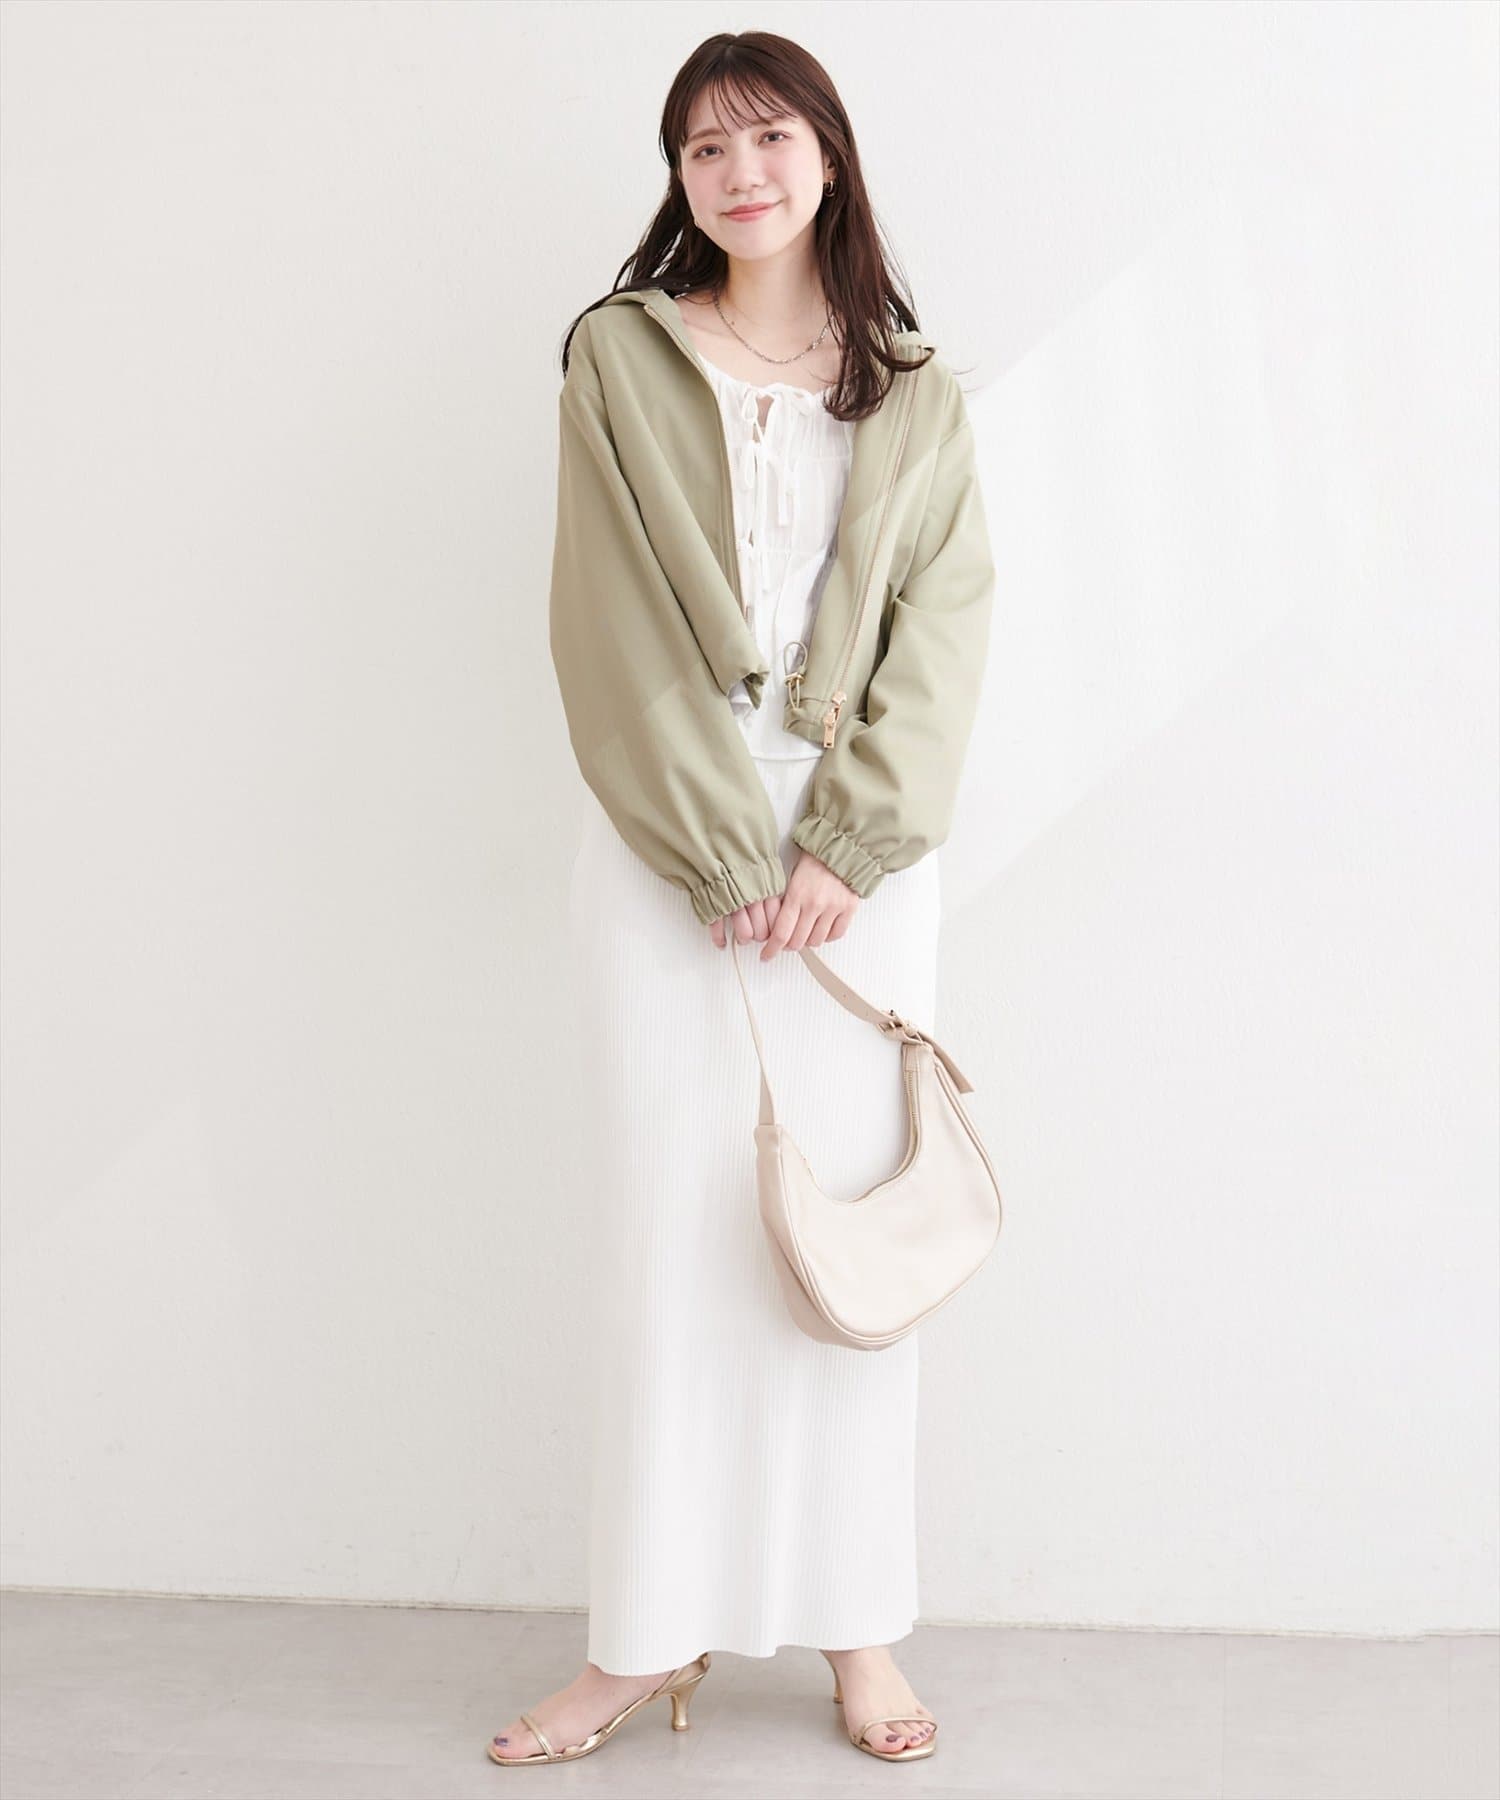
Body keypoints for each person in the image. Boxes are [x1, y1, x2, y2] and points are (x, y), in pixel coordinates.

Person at [488, 29, 995, 1771]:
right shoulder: (620, 355)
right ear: (680, 179)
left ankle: (860, 1631)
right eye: (704, 148)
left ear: (828, 156)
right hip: (664, 846)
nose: (739, 172)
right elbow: (606, 618)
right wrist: (719, 851)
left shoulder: (915, 389)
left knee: (848, 1246)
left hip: (864, 873)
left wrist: (845, 848)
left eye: (768, 137)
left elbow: (946, 634)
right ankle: (641, 1641)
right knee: (672, 1246)